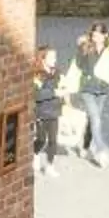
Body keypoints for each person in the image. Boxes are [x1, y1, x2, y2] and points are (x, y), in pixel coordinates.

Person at [71, 17, 109, 167]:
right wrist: (80, 47)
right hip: (87, 89)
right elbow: (77, 63)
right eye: (93, 34)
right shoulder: (86, 47)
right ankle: (101, 151)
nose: (95, 37)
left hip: (102, 90)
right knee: (96, 119)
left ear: (105, 35)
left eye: (98, 35)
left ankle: (84, 145)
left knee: (93, 120)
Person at [32, 47, 63, 175]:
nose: (55, 60)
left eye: (55, 57)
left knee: (53, 140)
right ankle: (35, 153)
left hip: (54, 110)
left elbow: (61, 85)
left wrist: (64, 92)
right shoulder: (37, 75)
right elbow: (36, 95)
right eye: (52, 57)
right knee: (41, 139)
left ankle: (50, 165)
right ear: (43, 58)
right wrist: (54, 92)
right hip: (41, 112)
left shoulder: (57, 72)